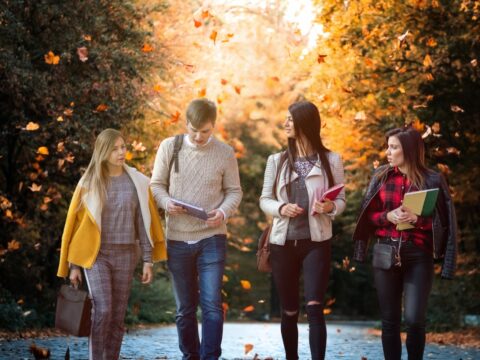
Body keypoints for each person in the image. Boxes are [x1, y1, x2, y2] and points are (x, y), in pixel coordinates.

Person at [57, 128, 166, 360]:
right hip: (96, 255)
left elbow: (143, 222)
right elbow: (76, 226)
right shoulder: (88, 182)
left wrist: (148, 260)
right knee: (103, 309)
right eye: (114, 148)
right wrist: (74, 265)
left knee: (117, 316)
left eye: (123, 147)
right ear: (103, 151)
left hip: (127, 254)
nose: (121, 152)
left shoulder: (137, 181)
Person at [352, 126, 457, 360]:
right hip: (384, 254)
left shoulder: (432, 179)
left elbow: (445, 223)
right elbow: (366, 217)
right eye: (388, 146)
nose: (387, 152)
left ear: (408, 150)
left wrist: (417, 220)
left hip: (419, 256)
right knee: (389, 321)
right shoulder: (380, 176)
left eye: (393, 147)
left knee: (414, 320)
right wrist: (387, 216)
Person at [150, 98, 242, 360]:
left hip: (212, 237)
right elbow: (157, 185)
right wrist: (166, 202)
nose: (199, 137)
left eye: (205, 131)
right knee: (185, 309)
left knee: (212, 305)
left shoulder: (224, 153)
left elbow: (234, 192)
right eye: (194, 130)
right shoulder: (170, 147)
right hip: (178, 238)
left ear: (213, 127)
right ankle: (190, 356)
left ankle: (210, 357)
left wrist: (223, 212)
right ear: (186, 124)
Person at [259, 100, 346, 360]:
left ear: (305, 123)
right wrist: (281, 208)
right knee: (289, 310)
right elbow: (264, 199)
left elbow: (341, 201)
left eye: (290, 119)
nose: (285, 123)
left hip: (317, 242)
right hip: (282, 244)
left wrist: (330, 206)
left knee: (315, 307)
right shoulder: (276, 161)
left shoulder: (332, 160)